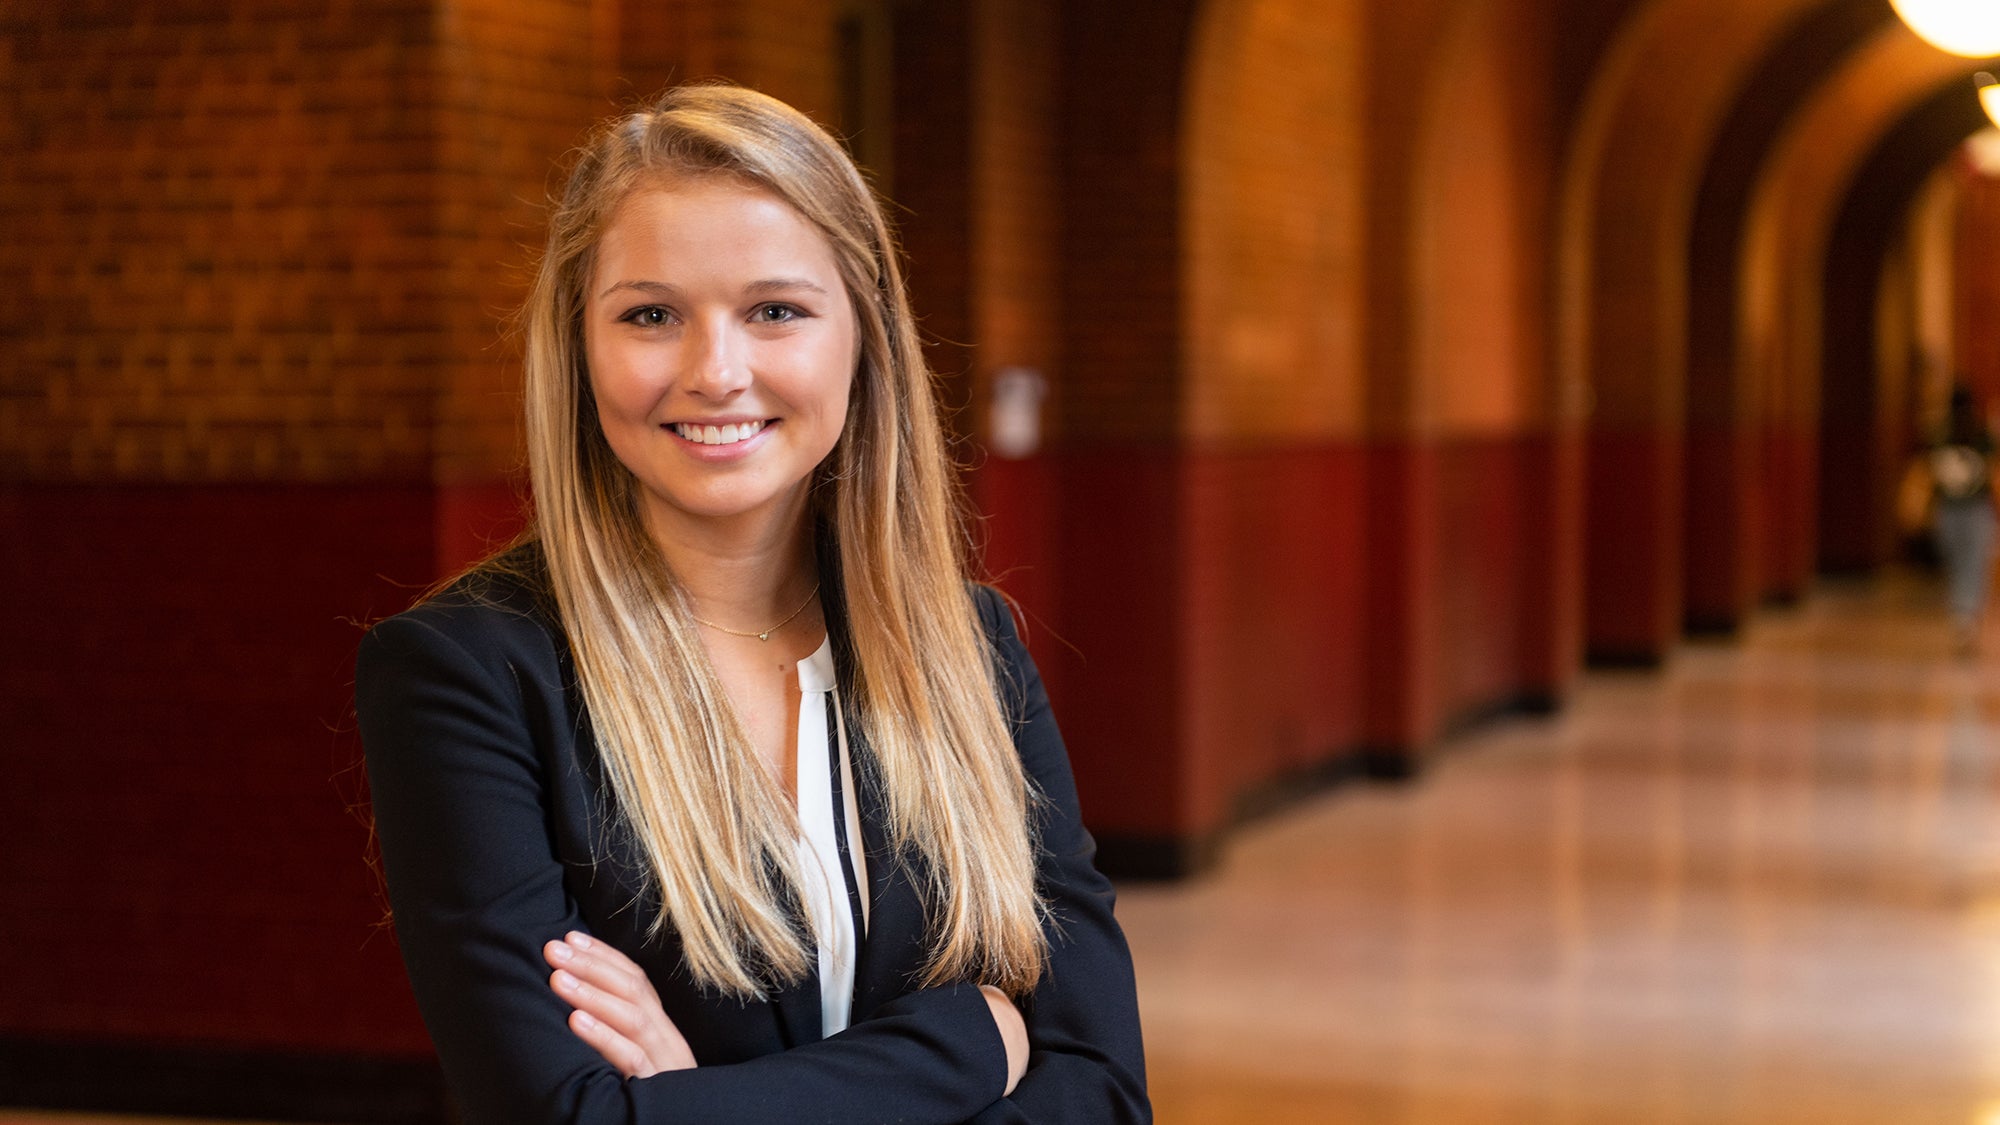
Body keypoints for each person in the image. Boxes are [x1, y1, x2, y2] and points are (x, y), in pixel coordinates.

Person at [354, 84, 1148, 1123]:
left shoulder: (968, 648)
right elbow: (565, 1116)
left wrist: (695, 1100)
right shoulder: (471, 676)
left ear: (860, 338)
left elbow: (1101, 1093)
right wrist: (963, 1043)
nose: (715, 371)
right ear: (578, 346)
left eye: (775, 310)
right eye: (650, 315)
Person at [1930, 383, 1998, 654]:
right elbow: (1993, 472)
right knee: (1973, 563)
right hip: (1976, 508)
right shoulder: (1981, 434)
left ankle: (1962, 612)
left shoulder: (1939, 433)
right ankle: (1966, 613)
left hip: (1947, 509)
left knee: (1958, 562)